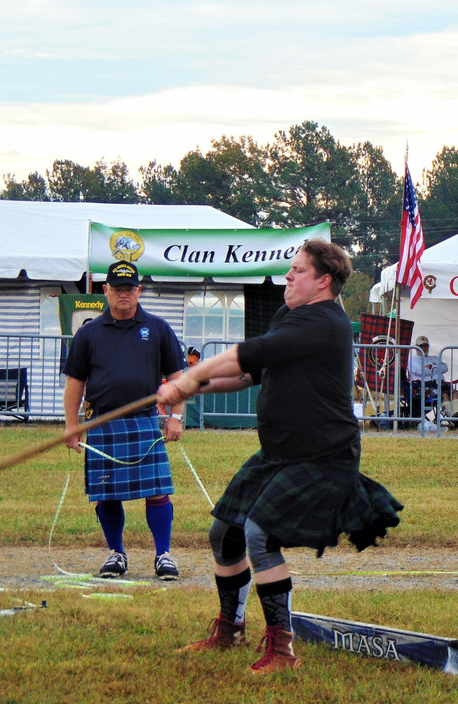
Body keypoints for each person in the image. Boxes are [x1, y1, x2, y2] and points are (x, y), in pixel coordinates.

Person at [158, 239, 403, 675]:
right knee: (224, 534)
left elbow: (248, 354)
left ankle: (282, 651)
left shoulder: (323, 322)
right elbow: (251, 372)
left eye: (298, 271)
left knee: (261, 534)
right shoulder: (290, 316)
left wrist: (189, 376)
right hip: (280, 453)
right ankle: (230, 630)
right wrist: (192, 388)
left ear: (323, 281)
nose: (288, 276)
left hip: (323, 455)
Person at [63, 261, 186, 581]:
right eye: (117, 288)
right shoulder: (89, 333)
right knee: (107, 493)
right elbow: (75, 383)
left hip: (145, 420)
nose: (123, 294)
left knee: (158, 491)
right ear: (105, 291)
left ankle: (164, 555)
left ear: (138, 291)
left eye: (129, 288)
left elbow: (177, 377)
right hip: (102, 422)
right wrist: (71, 425)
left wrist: (176, 416)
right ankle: (116, 553)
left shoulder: (158, 328)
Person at [406, 335, 458, 421]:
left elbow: (445, 368)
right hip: (423, 387)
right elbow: (420, 371)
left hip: (439, 384)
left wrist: (430, 367)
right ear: (416, 347)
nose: (423, 348)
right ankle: (453, 418)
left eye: (425, 346)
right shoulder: (412, 359)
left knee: (455, 393)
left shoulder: (434, 358)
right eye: (421, 346)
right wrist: (436, 368)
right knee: (443, 394)